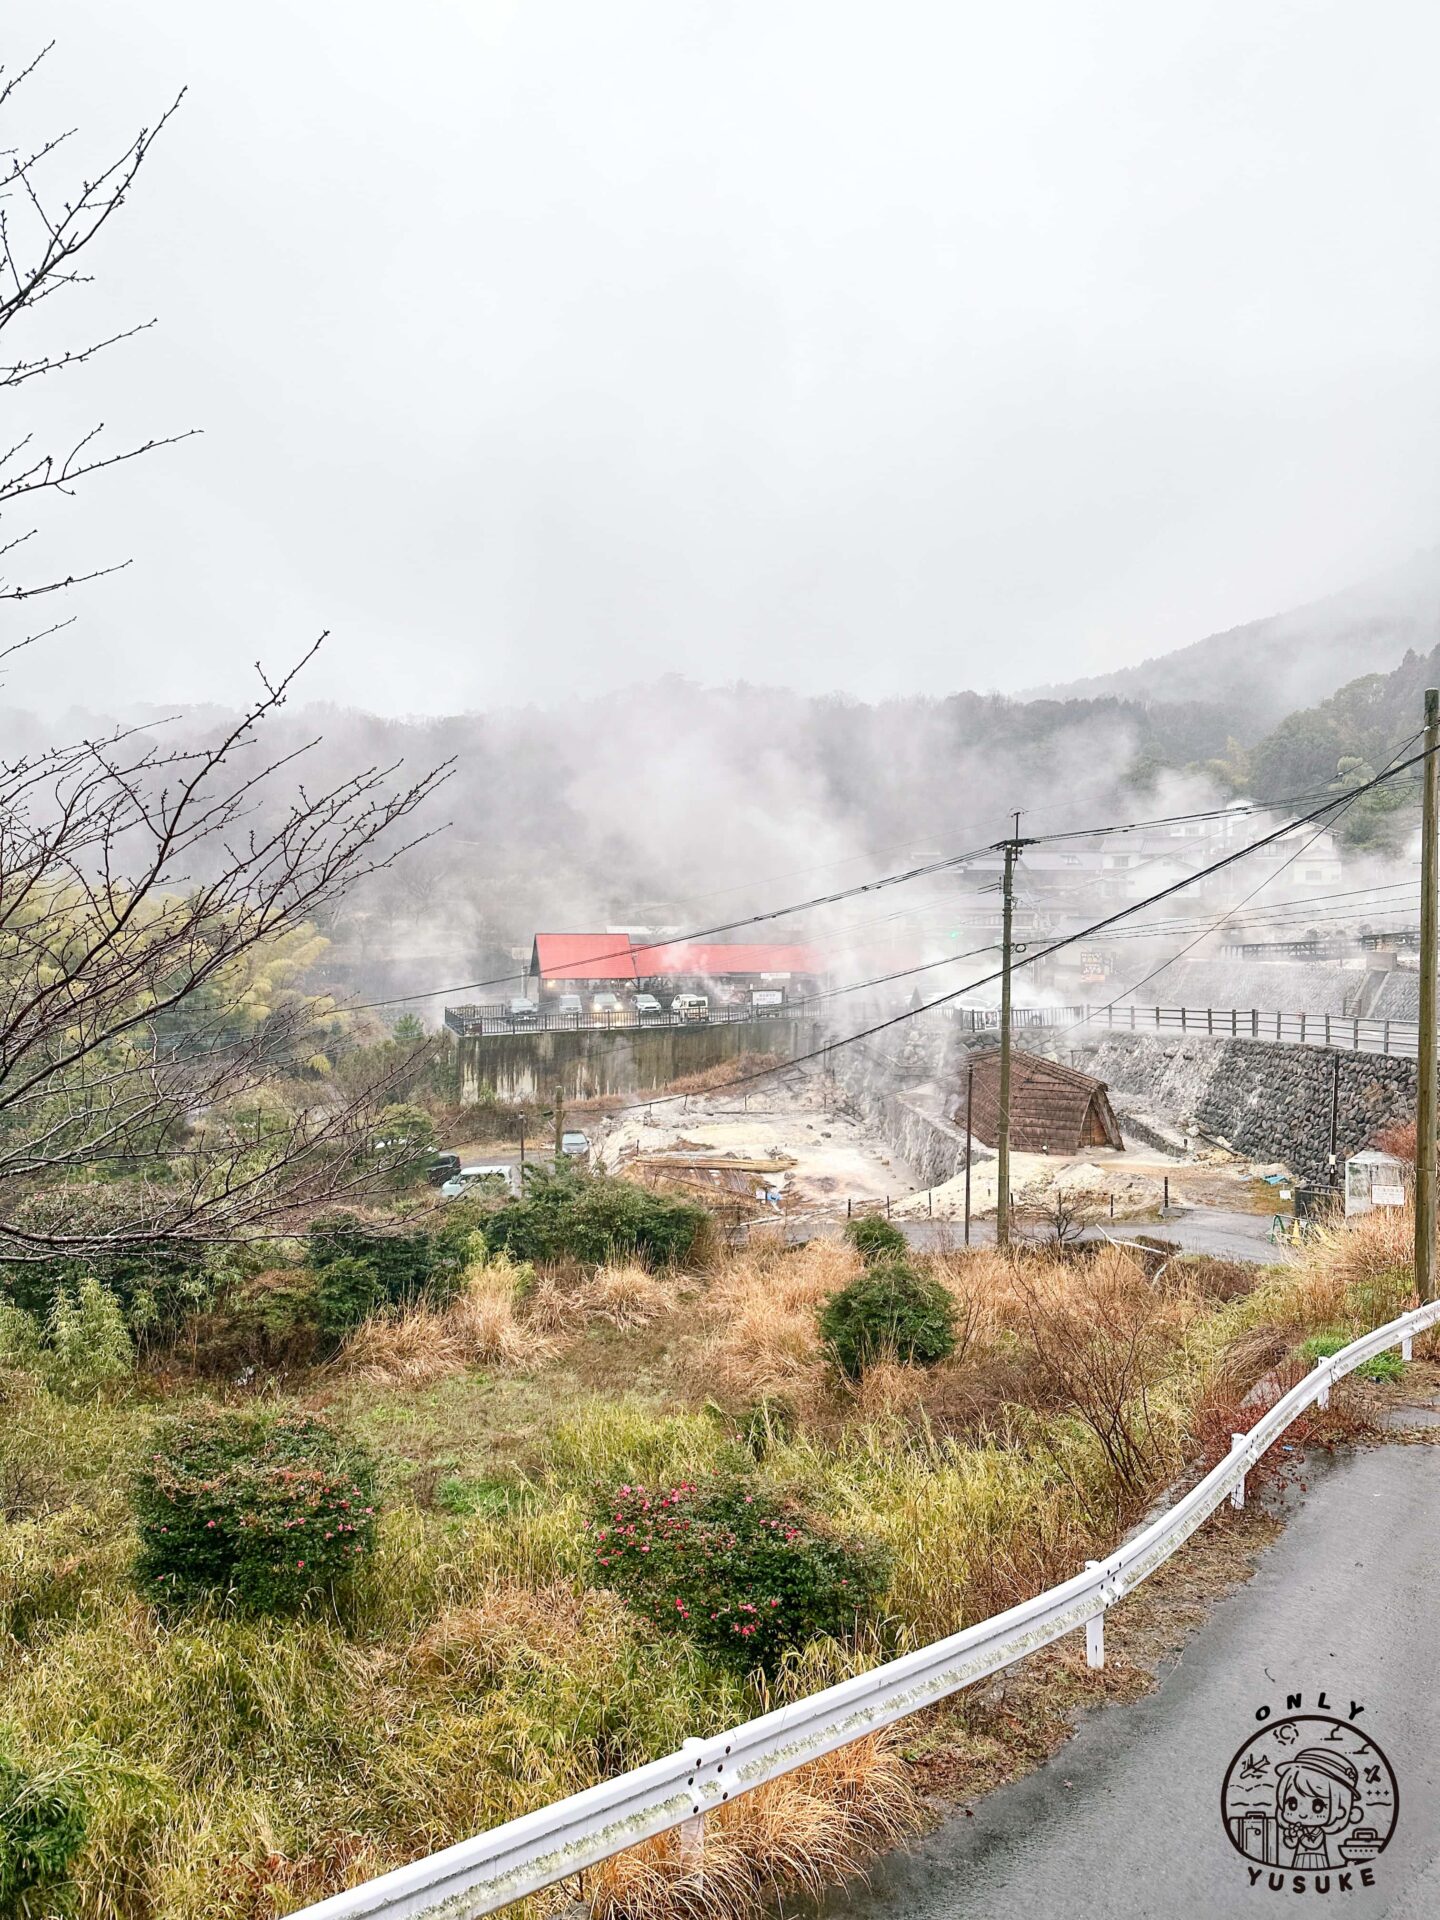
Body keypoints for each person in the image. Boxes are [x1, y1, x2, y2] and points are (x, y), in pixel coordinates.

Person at [1273, 1748, 1363, 1870]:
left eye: (1318, 1807)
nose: (1303, 1813)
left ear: (1339, 1810)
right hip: (1299, 1859)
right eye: (1292, 1804)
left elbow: (1313, 1844)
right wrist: (1291, 1836)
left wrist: (1300, 1834)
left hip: (1316, 1860)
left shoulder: (1318, 1832)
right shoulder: (1301, 1828)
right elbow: (1291, 1844)